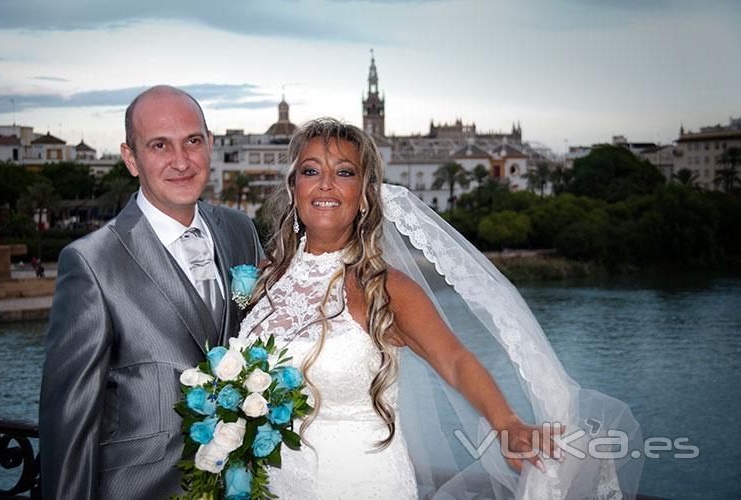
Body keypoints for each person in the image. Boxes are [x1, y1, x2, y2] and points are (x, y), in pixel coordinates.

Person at [238, 118, 643, 499]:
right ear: (293, 188)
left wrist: (507, 424)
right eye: (311, 171)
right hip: (269, 482)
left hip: (354, 482)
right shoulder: (265, 277)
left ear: (364, 195)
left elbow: (454, 360)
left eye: (344, 172)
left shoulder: (384, 287)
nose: (325, 185)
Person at [39, 86, 263, 499]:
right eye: (160, 145)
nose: (181, 161)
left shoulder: (240, 231)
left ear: (210, 145)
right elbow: (69, 427)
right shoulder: (90, 263)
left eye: (192, 141)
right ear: (131, 158)